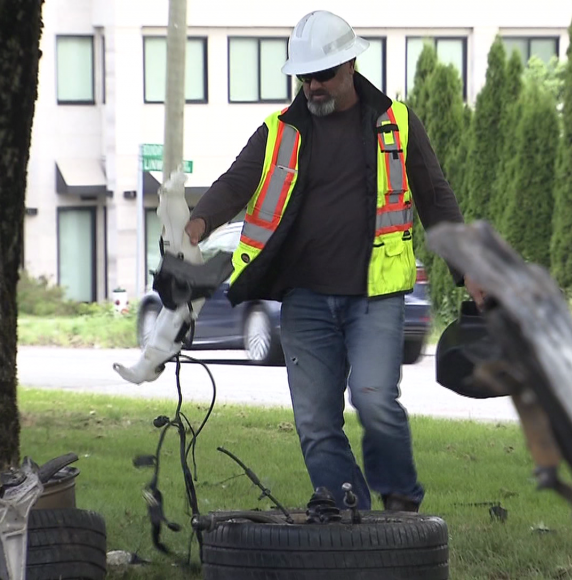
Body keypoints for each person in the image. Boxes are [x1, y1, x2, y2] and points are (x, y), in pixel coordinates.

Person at [185, 10, 485, 512]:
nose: (312, 86)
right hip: (303, 299)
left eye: (322, 75)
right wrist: (195, 227)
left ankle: (401, 503)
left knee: (374, 400)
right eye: (304, 76)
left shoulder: (396, 123)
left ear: (349, 65)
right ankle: (343, 499)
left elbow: (437, 200)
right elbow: (233, 184)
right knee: (316, 419)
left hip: (376, 296)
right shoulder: (279, 131)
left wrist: (469, 269)